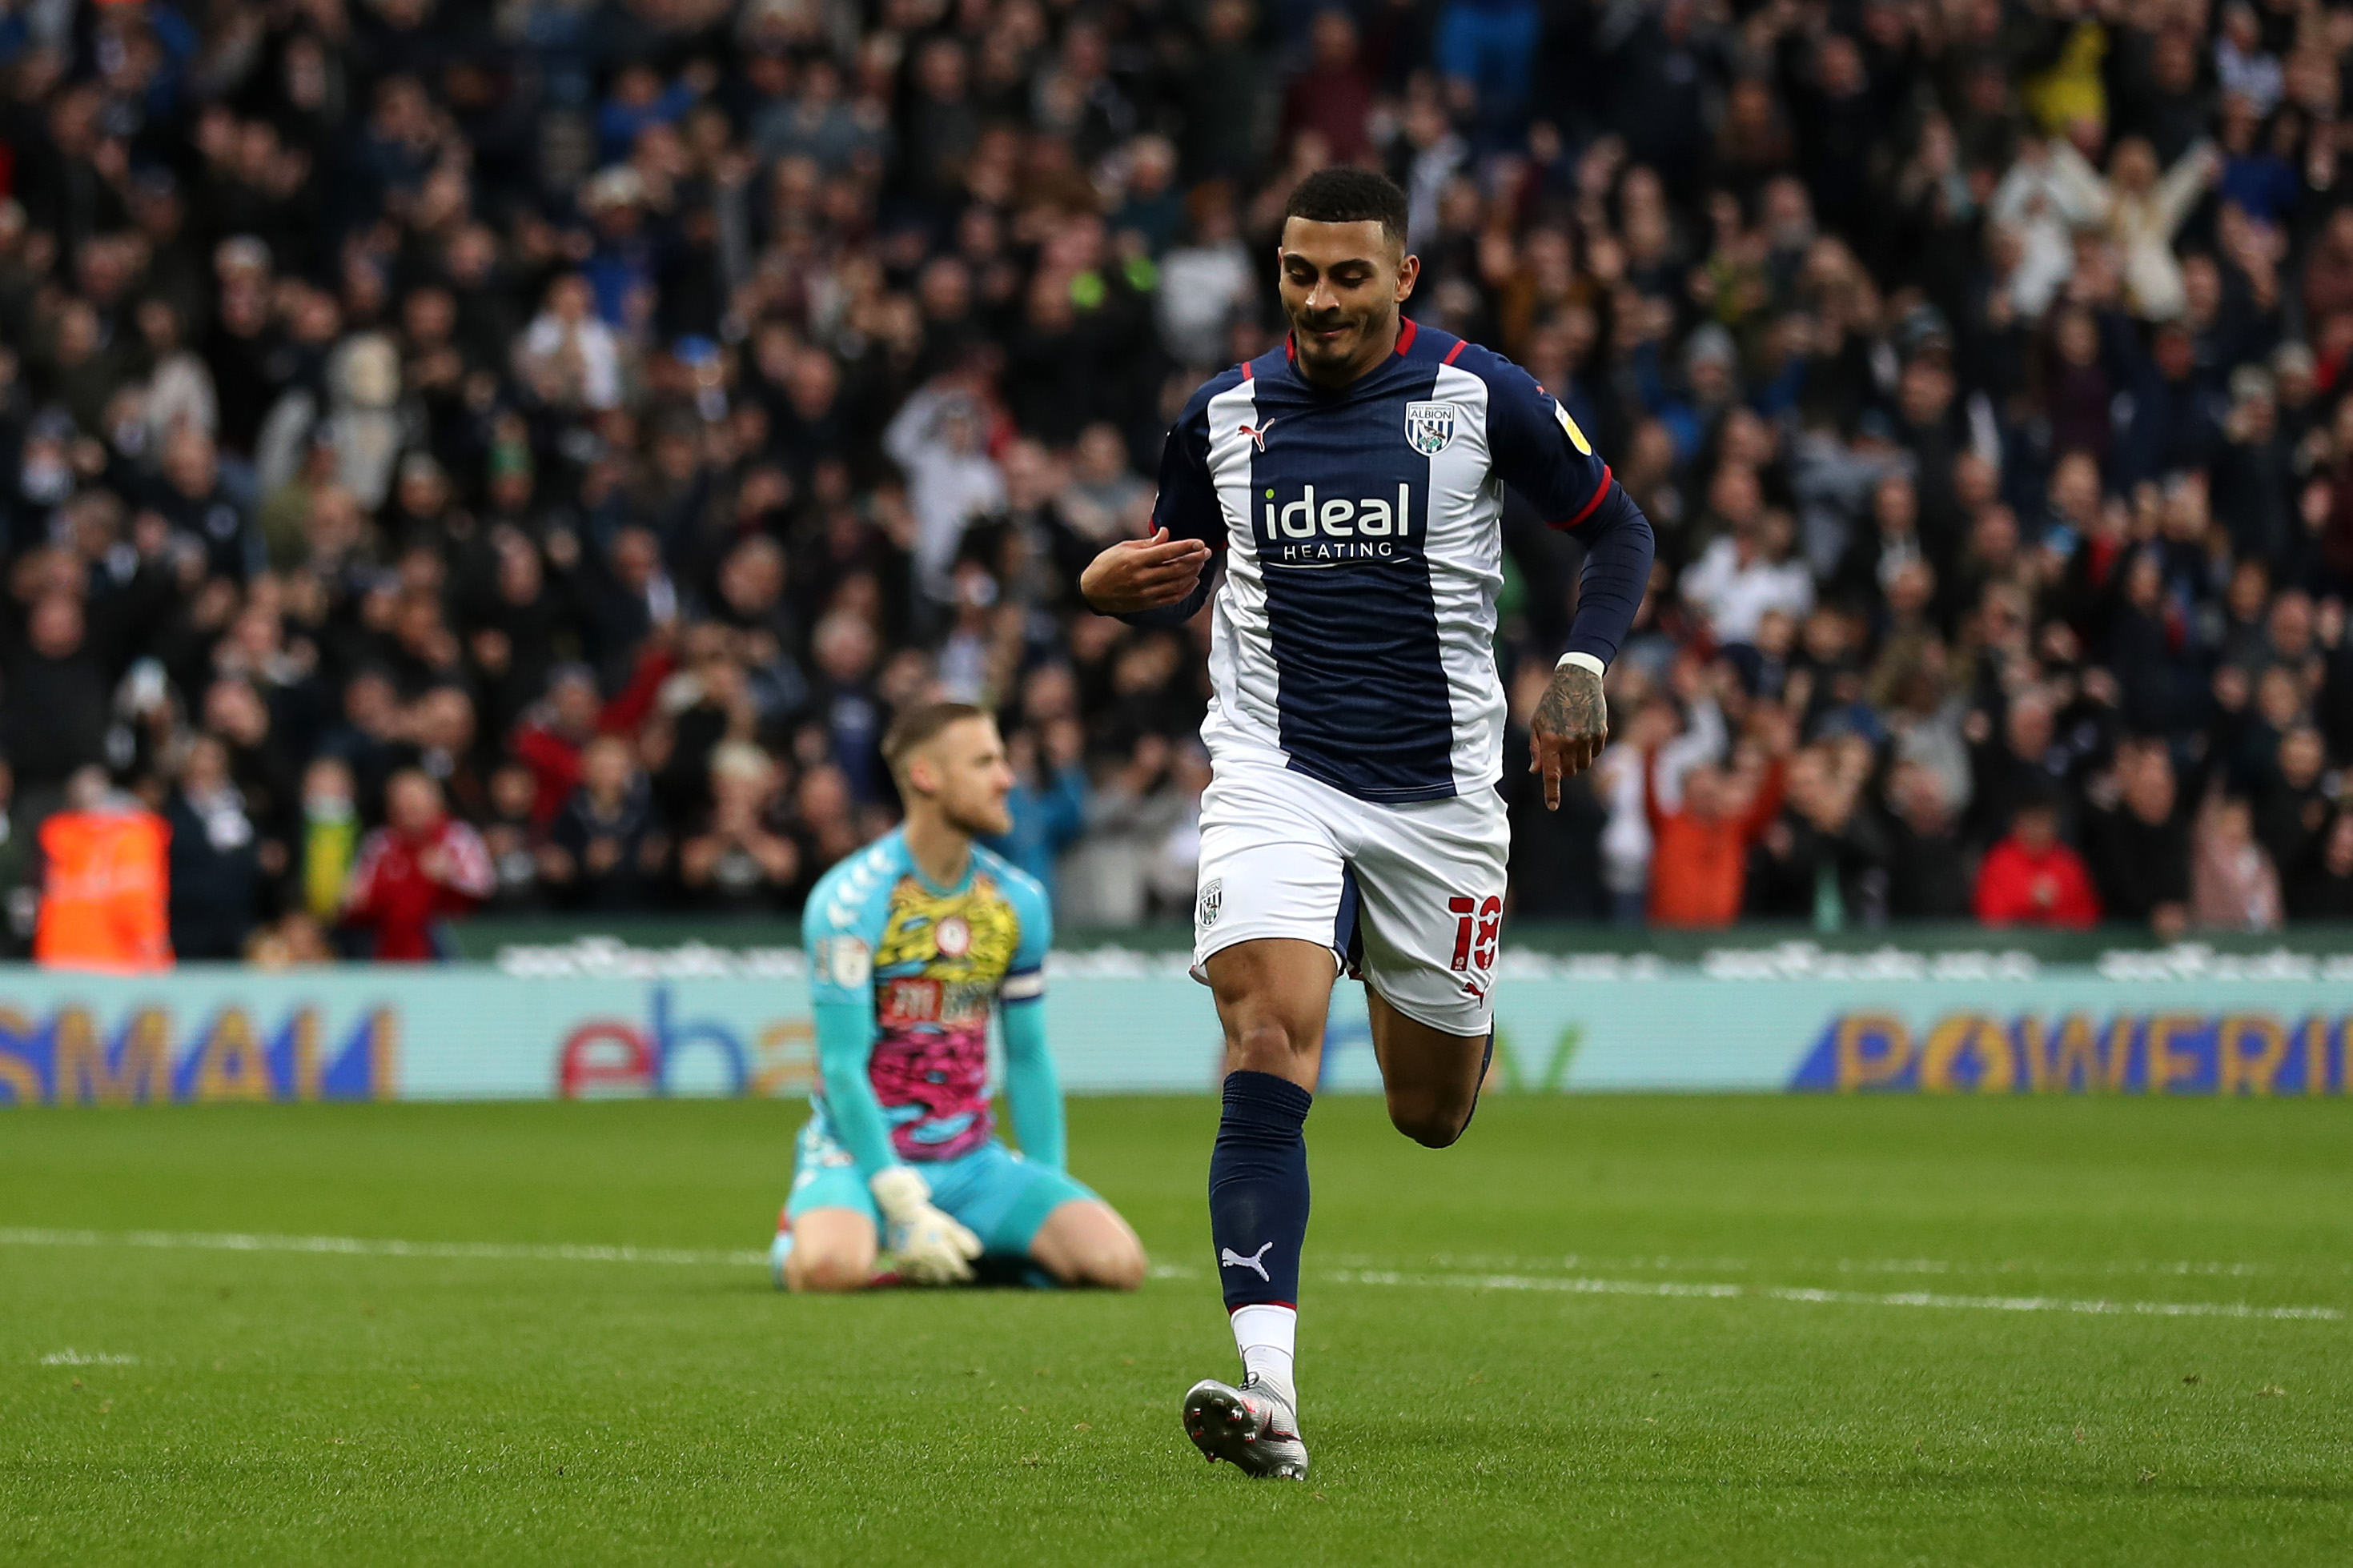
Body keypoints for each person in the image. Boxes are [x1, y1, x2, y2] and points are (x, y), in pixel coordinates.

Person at [1074, 169, 1654, 1479]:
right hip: (1273, 775)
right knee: (1264, 1032)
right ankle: (1267, 1387)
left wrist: (1583, 664)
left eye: (1346, 275)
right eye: (1297, 275)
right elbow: (1165, 576)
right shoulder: (1216, 417)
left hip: (1442, 801)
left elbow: (1616, 529)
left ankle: (1447, 1006)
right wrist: (1105, 587)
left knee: (1427, 1111)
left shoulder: (1480, 397)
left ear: (1399, 276)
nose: (1319, 299)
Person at [774, 701, 1146, 1295]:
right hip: (856, 1160)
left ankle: (965, 1242)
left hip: (972, 1163)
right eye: (985, 762)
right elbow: (841, 1066)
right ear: (927, 776)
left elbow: (1027, 1056)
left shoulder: (1015, 901)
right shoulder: (850, 901)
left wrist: (1043, 1187)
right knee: (828, 1270)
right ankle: (804, 1230)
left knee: (1115, 1264)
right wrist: (898, 1199)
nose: (1006, 777)